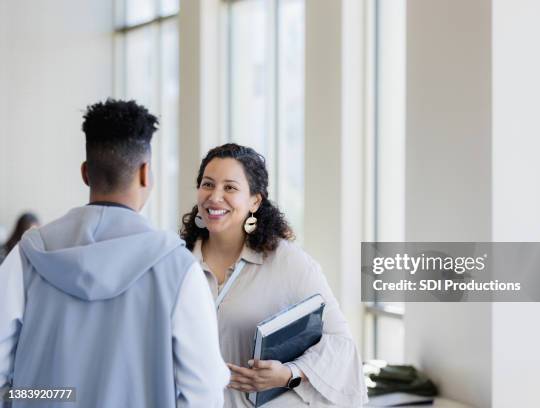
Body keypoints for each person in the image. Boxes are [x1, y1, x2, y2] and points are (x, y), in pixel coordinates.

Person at [0, 99, 229, 408]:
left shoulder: (27, 256)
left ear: (85, 173)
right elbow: (204, 393)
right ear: (146, 173)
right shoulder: (179, 269)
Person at [180, 143, 368, 407]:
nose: (215, 196)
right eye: (208, 184)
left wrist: (288, 374)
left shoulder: (288, 263)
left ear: (255, 201)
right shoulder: (177, 261)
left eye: (230, 187)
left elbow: (342, 346)